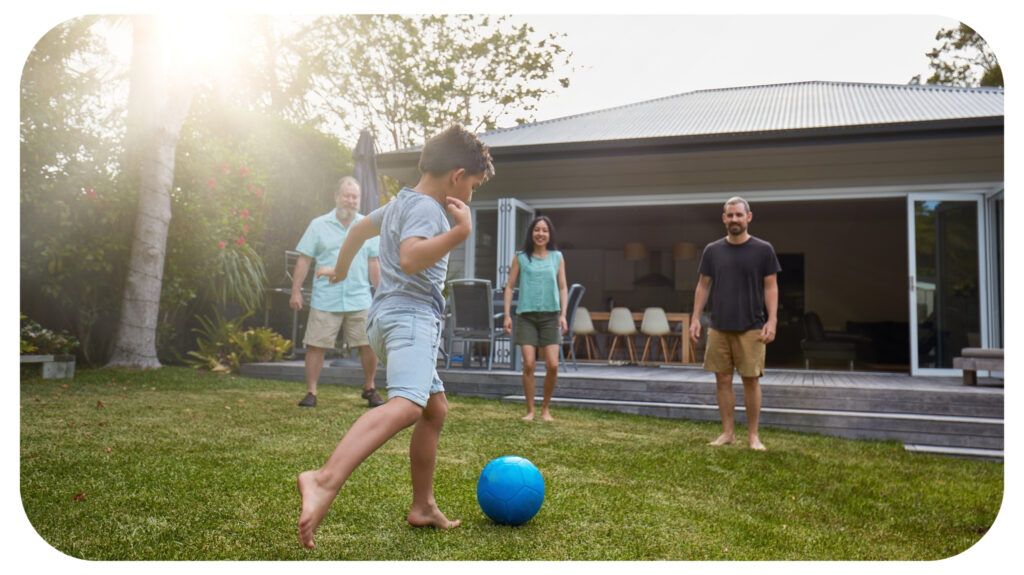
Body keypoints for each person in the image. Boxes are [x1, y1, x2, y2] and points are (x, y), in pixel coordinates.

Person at [297, 124, 494, 549]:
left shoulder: (401, 202)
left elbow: (356, 232)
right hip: (411, 320)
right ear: (457, 176)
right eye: (474, 185)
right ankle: (323, 479)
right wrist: (460, 233)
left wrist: (342, 268)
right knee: (407, 406)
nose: (471, 194)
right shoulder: (428, 208)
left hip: (384, 318)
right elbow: (408, 259)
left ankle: (422, 505)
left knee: (434, 409)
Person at [689, 197, 780, 451]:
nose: (734, 220)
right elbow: (703, 286)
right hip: (719, 325)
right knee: (722, 380)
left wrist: (772, 320)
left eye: (739, 215)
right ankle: (728, 433)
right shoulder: (712, 250)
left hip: (752, 326)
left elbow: (771, 287)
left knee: (751, 380)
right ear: (724, 218)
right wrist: (695, 318)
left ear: (748, 217)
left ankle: (753, 436)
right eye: (730, 215)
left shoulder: (764, 250)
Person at [291, 176, 383, 408]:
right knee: (315, 344)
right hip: (325, 297)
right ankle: (311, 392)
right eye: (346, 196)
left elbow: (374, 263)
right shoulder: (318, 225)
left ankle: (370, 387)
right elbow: (304, 260)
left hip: (359, 296)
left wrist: (381, 293)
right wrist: (296, 291)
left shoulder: (368, 226)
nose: (350, 201)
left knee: (369, 343)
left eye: (355, 197)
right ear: (336, 197)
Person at [503, 216, 568, 422]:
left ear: (550, 235)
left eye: (545, 230)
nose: (540, 234)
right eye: (537, 230)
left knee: (553, 365)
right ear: (531, 233)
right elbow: (510, 287)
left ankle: (545, 408)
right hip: (526, 316)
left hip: (551, 316)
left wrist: (564, 315)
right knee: (529, 364)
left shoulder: (557, 257)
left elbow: (563, 286)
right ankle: (530, 410)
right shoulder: (521, 257)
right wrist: (506, 315)